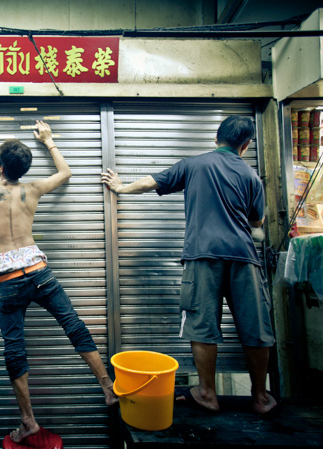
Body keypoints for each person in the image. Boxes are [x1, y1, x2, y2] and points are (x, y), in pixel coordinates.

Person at [0, 113, 119, 443]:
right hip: (39, 272)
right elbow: (65, 173)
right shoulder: (33, 189)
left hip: (8, 281)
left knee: (14, 349)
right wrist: (49, 140)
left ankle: (28, 421)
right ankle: (107, 388)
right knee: (74, 325)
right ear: (23, 169)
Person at [101, 115, 278, 416]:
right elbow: (257, 222)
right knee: (255, 326)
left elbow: (152, 182)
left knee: (202, 324)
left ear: (216, 138)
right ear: (246, 145)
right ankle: (261, 397)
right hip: (244, 257)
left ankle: (207, 393)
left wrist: (120, 187)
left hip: (202, 255)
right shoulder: (251, 176)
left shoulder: (193, 165)